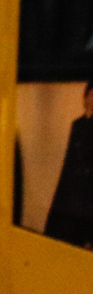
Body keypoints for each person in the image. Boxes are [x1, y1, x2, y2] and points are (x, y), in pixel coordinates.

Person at [42, 83, 93, 248]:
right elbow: (69, 161)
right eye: (91, 95)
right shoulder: (77, 125)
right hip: (72, 193)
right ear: (85, 97)